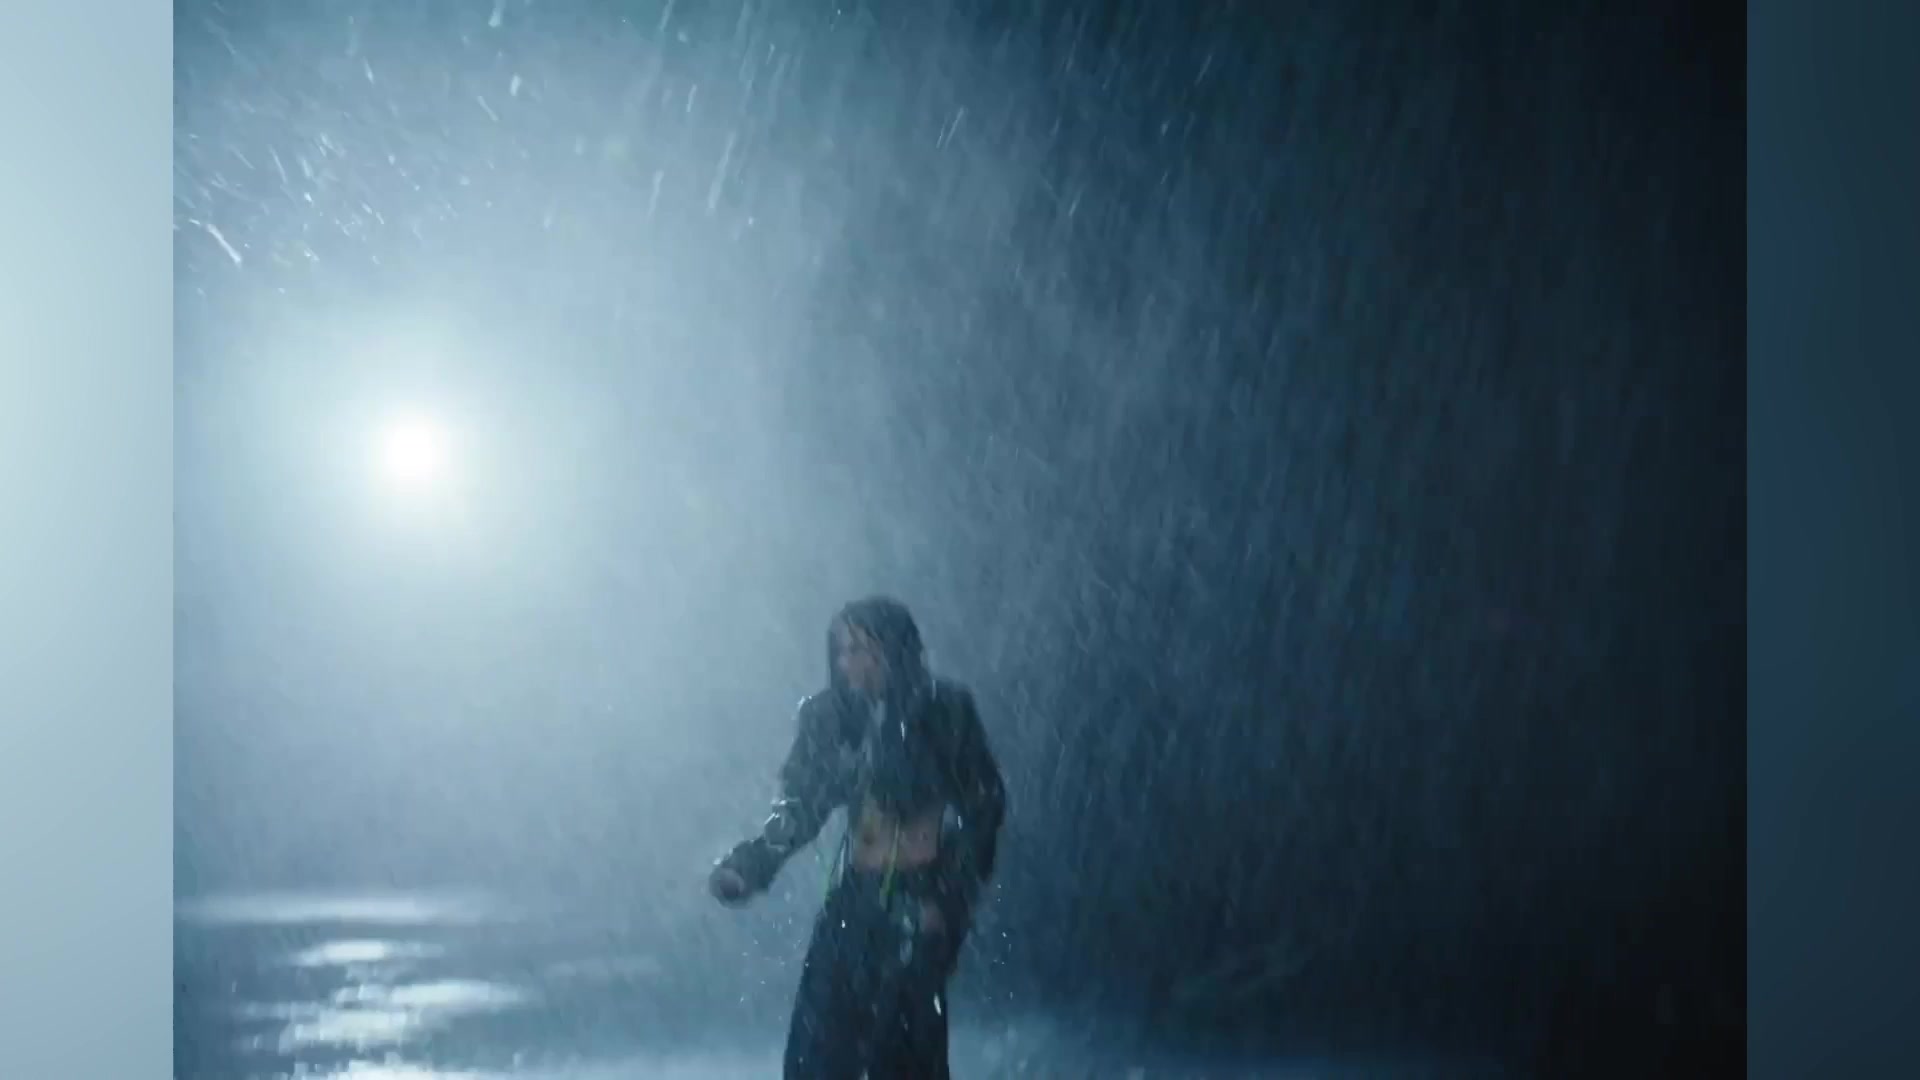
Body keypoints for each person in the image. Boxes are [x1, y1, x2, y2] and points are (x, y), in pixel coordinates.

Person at [708, 596, 1007, 1079]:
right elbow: (801, 806)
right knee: (817, 1049)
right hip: (854, 899)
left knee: (904, 1054)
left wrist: (946, 898)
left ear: (891, 650)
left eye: (858, 649)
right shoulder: (832, 720)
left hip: (917, 899)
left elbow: (983, 808)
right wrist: (752, 864)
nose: (845, 662)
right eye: (841, 650)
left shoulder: (943, 711)